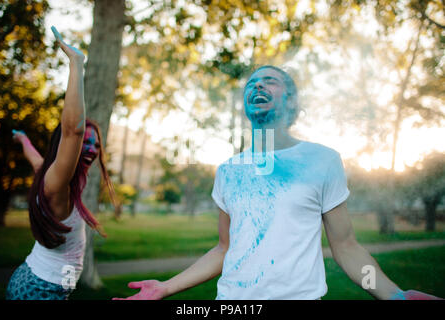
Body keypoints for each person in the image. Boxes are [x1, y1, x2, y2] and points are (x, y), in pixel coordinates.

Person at [113, 66, 441, 300]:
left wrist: (394, 295)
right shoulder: (229, 170)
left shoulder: (322, 160)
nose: (257, 86)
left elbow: (346, 247)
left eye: (269, 81)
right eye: (251, 83)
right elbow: (224, 249)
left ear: (293, 103)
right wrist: (166, 287)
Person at [6, 27, 117, 300]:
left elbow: (35, 160)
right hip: (41, 290)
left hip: (38, 279)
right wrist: (77, 65)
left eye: (96, 143)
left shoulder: (51, 175)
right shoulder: (59, 182)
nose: (91, 149)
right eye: (85, 143)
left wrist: (22, 140)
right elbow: (72, 131)